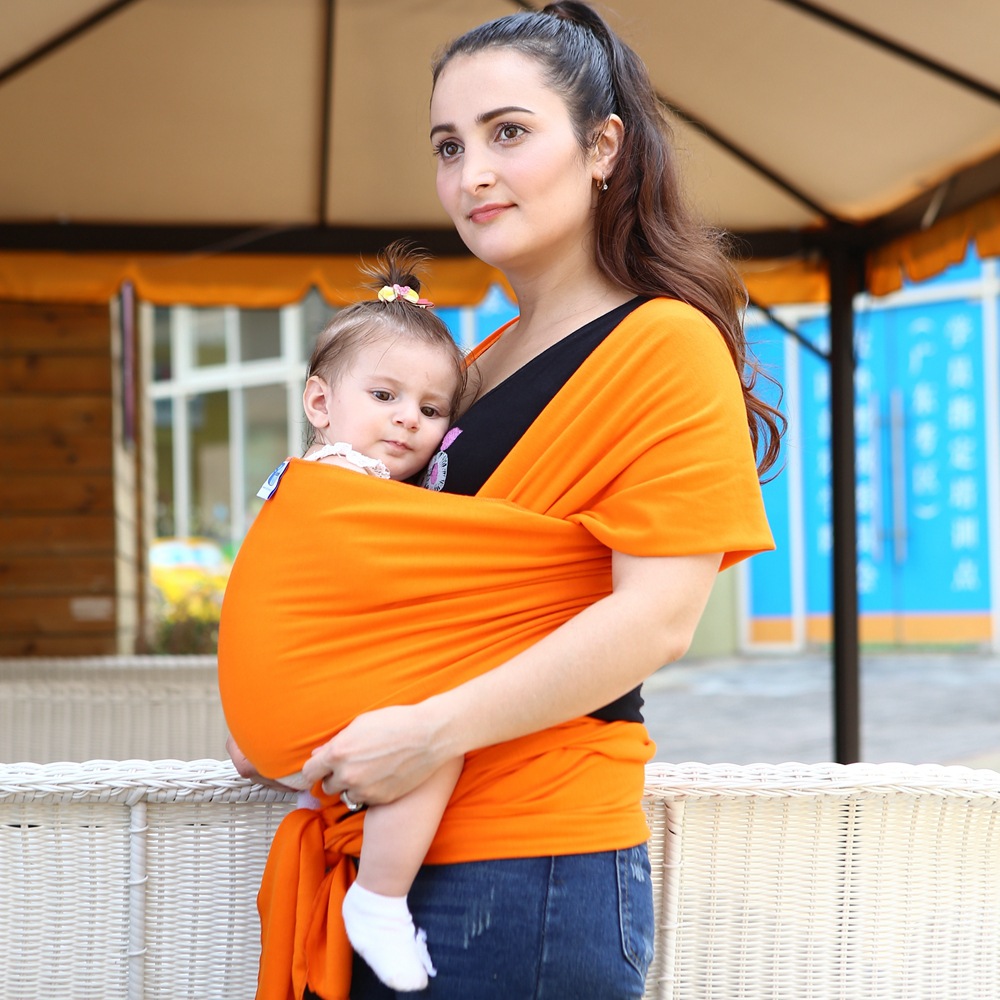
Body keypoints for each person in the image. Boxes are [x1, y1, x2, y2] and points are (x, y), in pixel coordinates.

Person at [222, 3, 784, 998]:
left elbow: (656, 619)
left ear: (603, 147)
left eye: (508, 132)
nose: (470, 173)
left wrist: (427, 734)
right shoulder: (469, 368)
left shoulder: (664, 344)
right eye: (449, 146)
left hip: (530, 860)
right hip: (391, 842)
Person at [221, 243, 468, 991]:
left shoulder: (303, 482)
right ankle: (381, 897)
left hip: (274, 721)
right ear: (321, 405)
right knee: (441, 735)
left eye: (431, 410)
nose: (408, 420)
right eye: (385, 395)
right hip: (307, 710)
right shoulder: (348, 483)